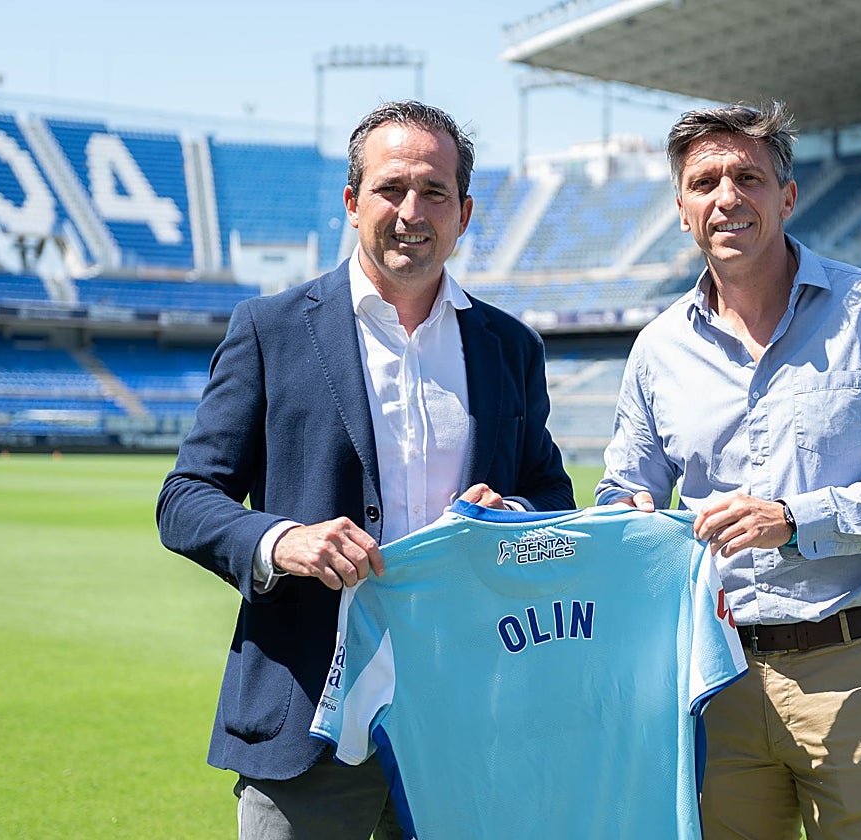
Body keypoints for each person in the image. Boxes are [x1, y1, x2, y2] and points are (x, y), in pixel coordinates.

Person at [157, 100, 574, 840]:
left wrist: (512, 515)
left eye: (434, 193)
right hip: (308, 725)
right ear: (352, 203)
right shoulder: (270, 329)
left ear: (464, 212)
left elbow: (551, 495)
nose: (411, 211)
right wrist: (281, 541)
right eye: (390, 189)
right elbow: (186, 498)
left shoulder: (511, 346)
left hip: (469, 719)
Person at [595, 101, 861, 839]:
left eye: (747, 177)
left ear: (786, 197)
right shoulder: (658, 348)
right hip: (713, 676)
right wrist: (628, 515)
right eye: (705, 182)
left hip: (851, 669)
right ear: (681, 210)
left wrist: (795, 521)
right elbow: (622, 489)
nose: (726, 197)